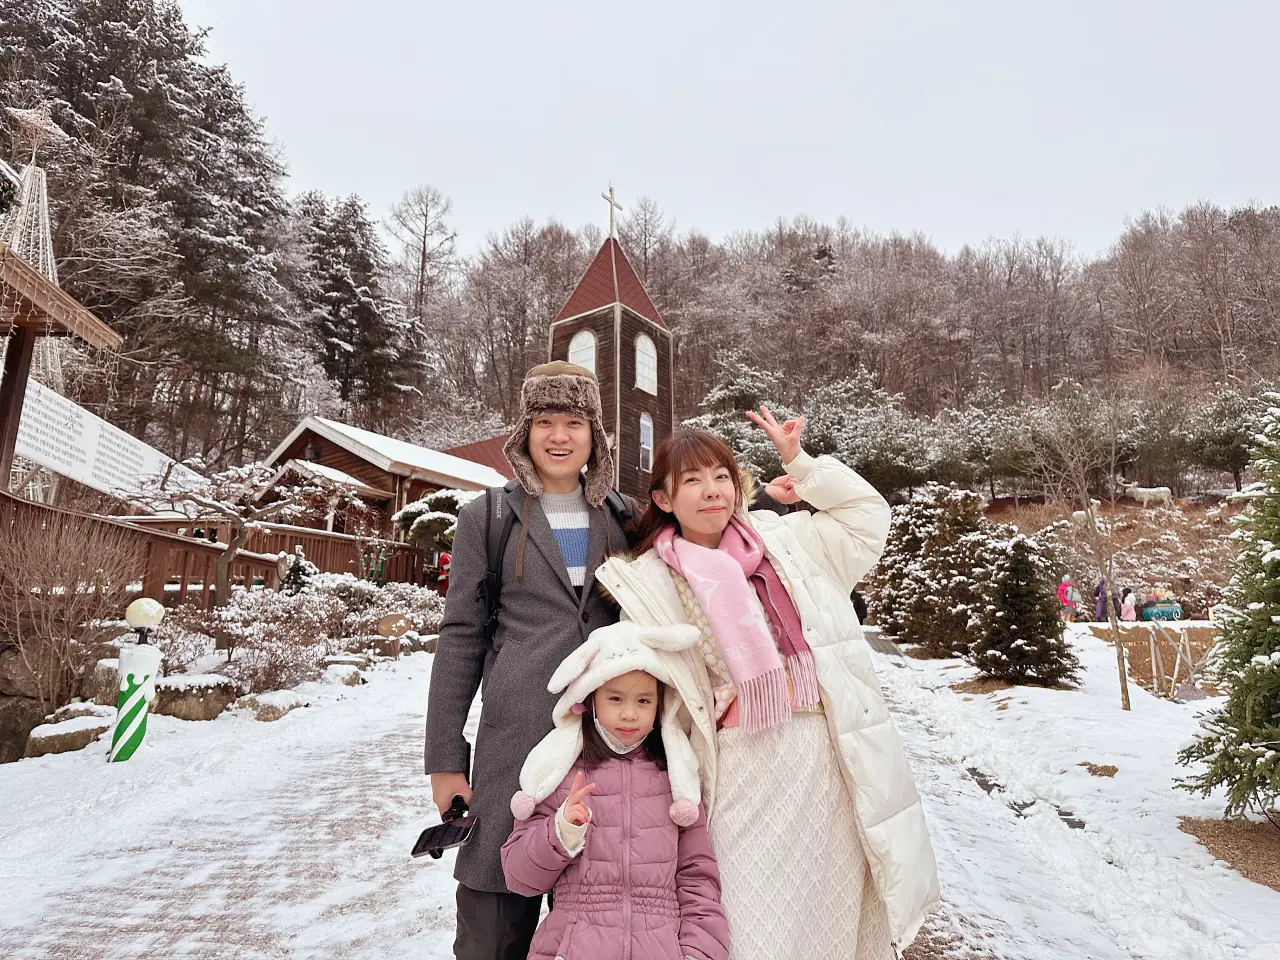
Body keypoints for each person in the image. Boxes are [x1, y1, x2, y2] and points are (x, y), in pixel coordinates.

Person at [590, 411, 939, 959]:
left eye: (722, 476)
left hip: (826, 757)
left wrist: (800, 463)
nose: (713, 492)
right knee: (747, 922)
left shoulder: (787, 540)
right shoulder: (649, 581)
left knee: (832, 916)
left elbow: (869, 516)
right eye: (693, 481)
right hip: (738, 767)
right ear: (662, 498)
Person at [424, 361, 637, 960]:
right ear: (525, 433)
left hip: (605, 740)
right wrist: (445, 759)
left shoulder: (625, 520)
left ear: (596, 435)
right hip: (512, 741)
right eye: (546, 421)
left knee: (595, 917)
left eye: (575, 421)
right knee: (496, 917)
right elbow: (461, 637)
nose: (560, 436)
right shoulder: (487, 517)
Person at [501, 620, 729, 960]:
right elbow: (519, 877)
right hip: (573, 947)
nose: (629, 713)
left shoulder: (676, 778)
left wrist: (699, 953)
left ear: (660, 705)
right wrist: (560, 832)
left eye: (643, 701)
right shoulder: (563, 773)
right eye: (615, 698)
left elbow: (698, 880)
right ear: (590, 699)